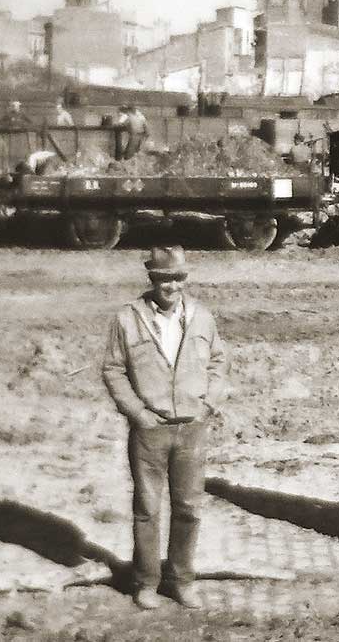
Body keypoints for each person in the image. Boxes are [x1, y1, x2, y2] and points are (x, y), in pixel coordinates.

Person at [102, 245, 229, 610]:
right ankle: (145, 582)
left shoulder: (202, 317)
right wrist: (137, 412)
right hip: (150, 430)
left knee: (189, 507)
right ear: (151, 279)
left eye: (177, 278)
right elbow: (113, 370)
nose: (171, 286)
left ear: (185, 279)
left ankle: (182, 580)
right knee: (147, 508)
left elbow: (220, 363)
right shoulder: (128, 319)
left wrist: (209, 404)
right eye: (163, 279)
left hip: (192, 429)